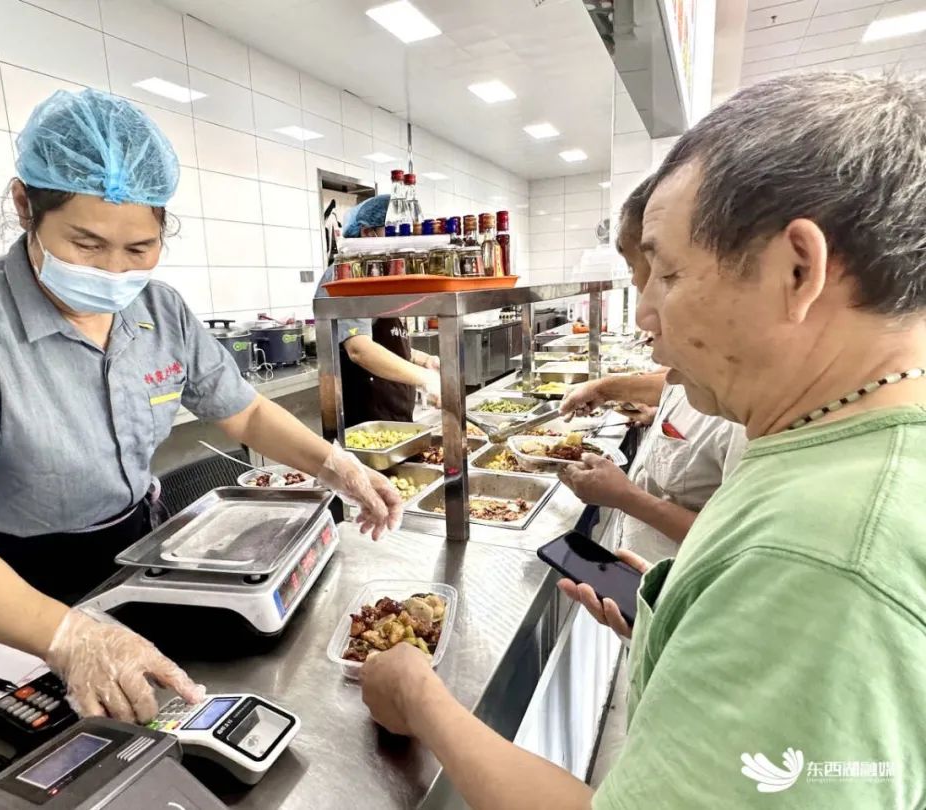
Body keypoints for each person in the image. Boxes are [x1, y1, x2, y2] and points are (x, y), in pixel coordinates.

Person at [359, 72, 926, 809]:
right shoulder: (831, 445)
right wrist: (676, 622)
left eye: (665, 272)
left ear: (798, 270)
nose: (648, 315)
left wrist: (419, 699)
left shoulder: (822, 560)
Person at [0, 89, 402, 723]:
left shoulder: (158, 311)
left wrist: (335, 466)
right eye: (84, 243)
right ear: (25, 207)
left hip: (135, 550)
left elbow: (242, 412)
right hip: (7, 584)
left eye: (139, 249)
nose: (111, 272)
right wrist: (69, 636)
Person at [556, 177, 747, 563]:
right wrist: (619, 394)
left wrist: (625, 497)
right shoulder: (702, 369)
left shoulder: (747, 411)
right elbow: (675, 386)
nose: (643, 312)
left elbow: (731, 544)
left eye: (660, 271)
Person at [314, 194, 442, 424]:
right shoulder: (347, 272)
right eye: (395, 231)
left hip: (394, 411)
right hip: (364, 418)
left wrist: (423, 360)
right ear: (367, 233)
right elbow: (359, 349)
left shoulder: (383, 273)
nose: (404, 239)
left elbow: (386, 339)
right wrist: (426, 380)